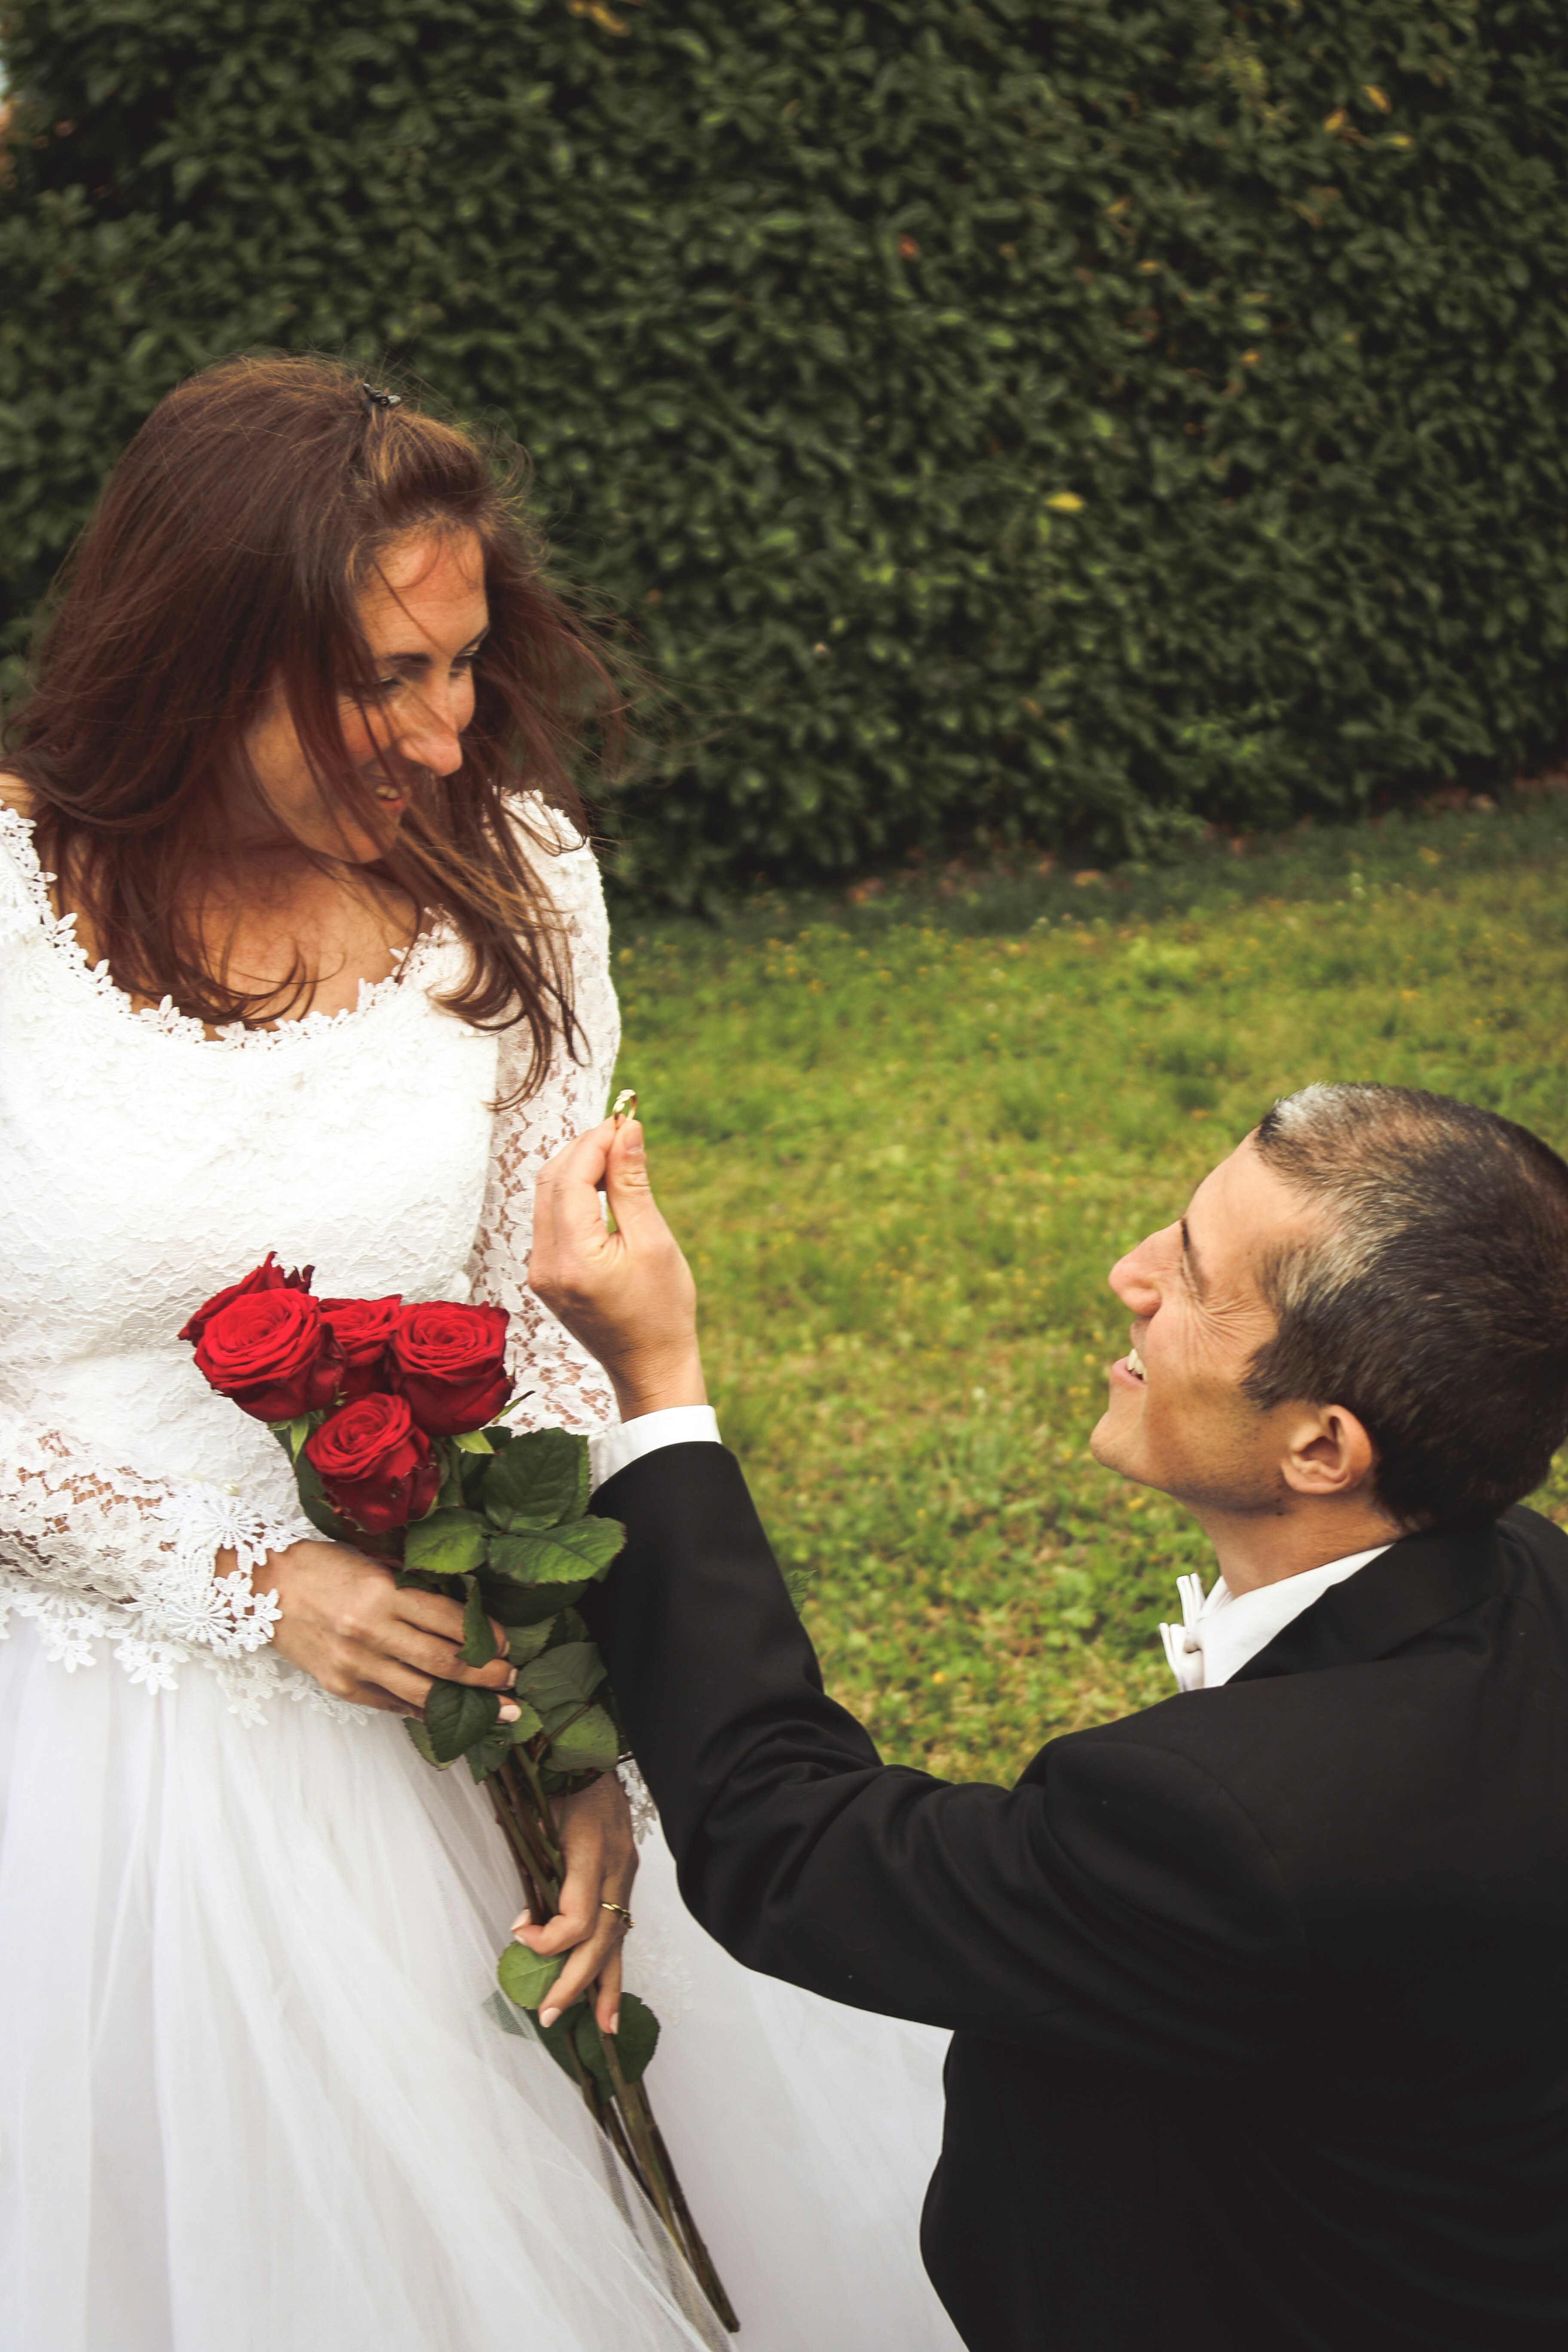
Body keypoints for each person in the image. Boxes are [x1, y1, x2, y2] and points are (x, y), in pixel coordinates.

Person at [0, 355, 961, 2352]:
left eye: (467, 660)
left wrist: (583, 1743)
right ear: (201, 649)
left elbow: (536, 1330)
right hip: (73, 1737)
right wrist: (242, 1578)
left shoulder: (514, 878)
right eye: (386, 675)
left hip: (443, 1695)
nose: (446, 733)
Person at [529, 1082, 1568, 2352]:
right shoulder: (1528, 1573)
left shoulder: (1226, 1830)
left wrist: (655, 1382)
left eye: (1190, 1278)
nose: (1130, 1276)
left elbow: (788, 1842)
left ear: (1320, 1449)